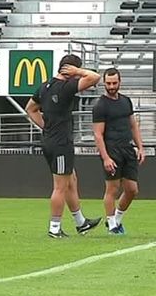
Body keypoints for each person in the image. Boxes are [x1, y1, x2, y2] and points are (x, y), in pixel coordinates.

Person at [25, 54, 102, 238]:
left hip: (50, 140)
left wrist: (46, 127)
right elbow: (94, 77)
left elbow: (30, 108)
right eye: (75, 72)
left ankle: (80, 222)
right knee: (60, 186)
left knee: (71, 180)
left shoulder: (45, 86)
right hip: (60, 143)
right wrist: (79, 71)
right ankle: (54, 227)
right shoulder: (66, 87)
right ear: (70, 70)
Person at [92, 68, 145, 235]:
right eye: (108, 83)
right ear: (104, 83)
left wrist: (140, 147)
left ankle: (117, 220)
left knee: (132, 189)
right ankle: (112, 226)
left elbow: (133, 125)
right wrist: (106, 157)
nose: (111, 86)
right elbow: (98, 134)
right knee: (112, 189)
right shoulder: (100, 106)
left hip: (127, 148)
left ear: (120, 82)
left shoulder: (126, 101)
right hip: (111, 149)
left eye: (114, 83)